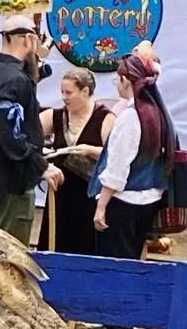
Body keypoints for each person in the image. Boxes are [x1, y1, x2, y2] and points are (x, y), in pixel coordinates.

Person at [0, 13, 62, 243]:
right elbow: (9, 134)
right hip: (10, 188)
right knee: (11, 255)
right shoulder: (15, 80)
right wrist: (41, 166)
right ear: (28, 39)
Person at [90, 51, 174, 264]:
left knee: (114, 265)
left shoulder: (131, 116)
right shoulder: (156, 112)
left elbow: (118, 169)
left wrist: (101, 207)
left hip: (124, 203)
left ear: (125, 80)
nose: (117, 85)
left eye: (117, 79)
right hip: (149, 199)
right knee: (133, 259)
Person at [36, 65, 111, 256]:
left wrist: (90, 151)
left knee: (85, 247)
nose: (64, 97)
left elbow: (116, 154)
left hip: (88, 196)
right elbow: (27, 134)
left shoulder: (104, 118)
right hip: (59, 197)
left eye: (69, 93)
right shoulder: (56, 115)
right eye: (62, 92)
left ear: (85, 91)